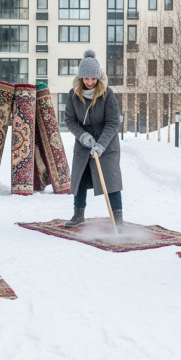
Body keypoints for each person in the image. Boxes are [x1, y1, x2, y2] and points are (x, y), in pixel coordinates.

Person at [63, 50, 124, 231]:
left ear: (98, 77)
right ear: (81, 77)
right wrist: (83, 136)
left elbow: (113, 122)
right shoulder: (73, 95)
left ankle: (118, 219)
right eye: (86, 79)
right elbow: (70, 120)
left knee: (111, 181)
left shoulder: (107, 94)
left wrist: (101, 144)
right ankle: (78, 215)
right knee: (80, 178)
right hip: (83, 142)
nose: (90, 82)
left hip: (107, 142)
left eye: (93, 79)